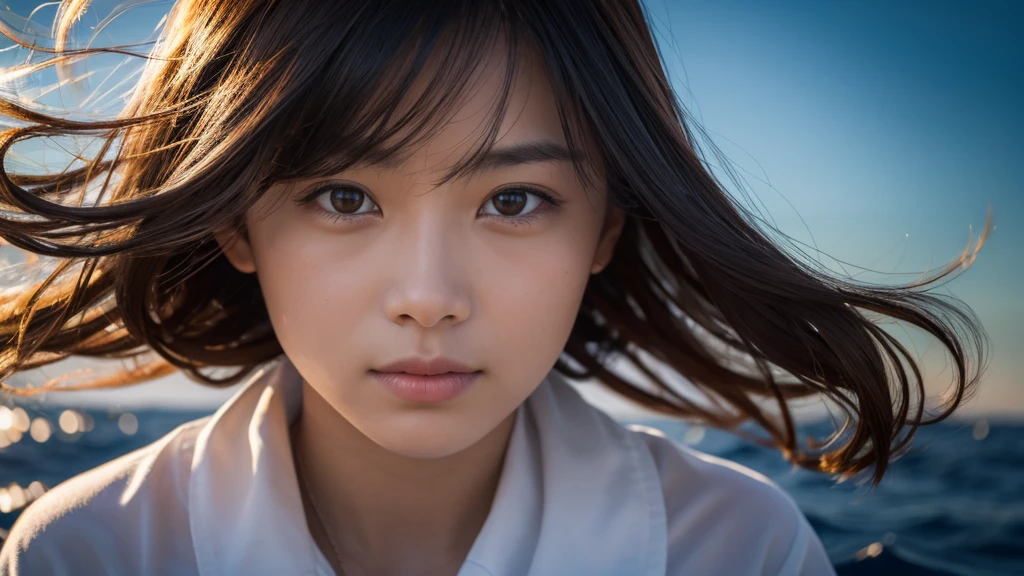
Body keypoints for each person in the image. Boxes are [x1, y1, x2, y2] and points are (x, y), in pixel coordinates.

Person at [0, 0, 989, 574]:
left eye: (514, 200)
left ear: (605, 225)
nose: (428, 296)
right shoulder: (92, 551)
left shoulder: (733, 549)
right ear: (234, 220)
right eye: (344, 197)